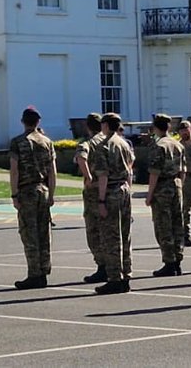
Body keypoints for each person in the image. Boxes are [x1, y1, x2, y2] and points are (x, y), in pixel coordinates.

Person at [8, 106, 57, 290]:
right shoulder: (47, 142)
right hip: (43, 189)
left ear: (23, 122)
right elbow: (52, 171)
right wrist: (52, 193)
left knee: (30, 234)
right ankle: (44, 271)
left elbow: (15, 170)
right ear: (38, 122)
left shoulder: (18, 142)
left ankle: (34, 273)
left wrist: (14, 194)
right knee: (44, 233)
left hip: (27, 191)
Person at [94, 113, 135, 294]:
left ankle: (114, 278)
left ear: (105, 126)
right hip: (124, 189)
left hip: (111, 191)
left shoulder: (105, 146)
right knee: (125, 236)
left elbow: (103, 176)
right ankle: (126, 274)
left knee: (111, 237)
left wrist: (101, 200)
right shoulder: (124, 144)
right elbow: (130, 169)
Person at [147, 113, 185, 277]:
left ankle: (169, 261)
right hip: (176, 184)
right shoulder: (177, 145)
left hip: (162, 186)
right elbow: (183, 170)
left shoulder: (159, 146)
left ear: (156, 127)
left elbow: (154, 173)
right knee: (177, 223)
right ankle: (177, 259)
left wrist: (149, 195)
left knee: (163, 225)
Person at [75, 113, 107, 282]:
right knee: (111, 230)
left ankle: (102, 265)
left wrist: (88, 177)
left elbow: (81, 157)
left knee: (94, 230)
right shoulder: (112, 141)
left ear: (88, 127)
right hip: (111, 188)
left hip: (94, 191)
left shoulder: (88, 143)